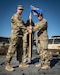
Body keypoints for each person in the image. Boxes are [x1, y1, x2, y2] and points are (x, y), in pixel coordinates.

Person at [5, 5, 30, 71]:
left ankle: (20, 63)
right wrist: (27, 30)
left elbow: (24, 25)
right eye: (20, 9)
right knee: (11, 50)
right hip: (15, 36)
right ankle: (7, 65)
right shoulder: (15, 16)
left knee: (20, 51)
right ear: (17, 9)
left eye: (22, 10)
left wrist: (29, 22)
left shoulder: (20, 18)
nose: (21, 11)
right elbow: (20, 25)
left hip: (20, 36)